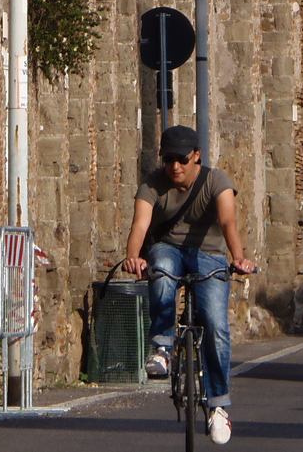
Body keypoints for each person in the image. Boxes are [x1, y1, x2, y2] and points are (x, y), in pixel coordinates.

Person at [121, 125, 254, 446]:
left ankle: (218, 405)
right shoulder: (153, 184)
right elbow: (140, 223)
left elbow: (227, 222)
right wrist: (133, 256)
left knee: (215, 324)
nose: (175, 167)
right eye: (168, 159)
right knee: (162, 267)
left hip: (208, 255)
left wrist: (239, 258)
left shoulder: (216, 181)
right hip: (168, 248)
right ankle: (163, 348)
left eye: (181, 159)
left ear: (196, 156)